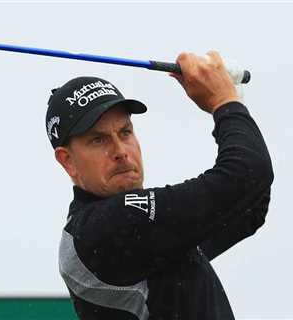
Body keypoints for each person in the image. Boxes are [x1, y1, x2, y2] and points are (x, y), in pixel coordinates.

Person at [45, 51, 273, 320]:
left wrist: (234, 99)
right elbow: (246, 176)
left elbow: (249, 206)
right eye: (98, 140)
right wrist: (224, 102)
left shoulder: (147, 234)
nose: (120, 150)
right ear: (67, 161)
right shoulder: (103, 227)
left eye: (125, 132)